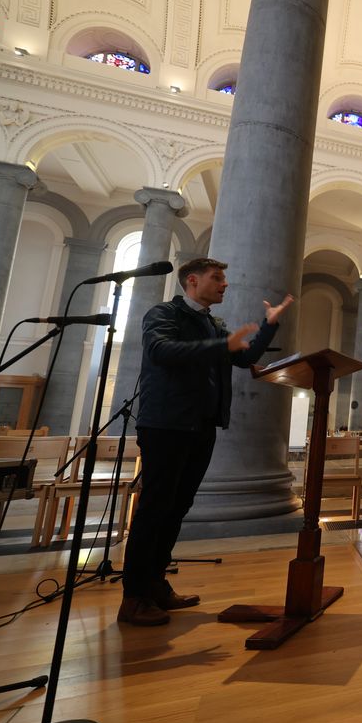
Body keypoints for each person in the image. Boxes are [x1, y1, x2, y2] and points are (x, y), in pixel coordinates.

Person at [119, 257, 293, 626]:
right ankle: (134, 598)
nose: (225, 284)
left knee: (177, 507)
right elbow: (161, 351)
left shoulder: (211, 323)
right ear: (193, 281)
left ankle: (156, 585)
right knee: (154, 509)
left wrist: (269, 325)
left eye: (225, 278)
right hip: (166, 424)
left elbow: (244, 358)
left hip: (200, 426)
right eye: (218, 278)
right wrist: (221, 346)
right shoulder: (163, 313)